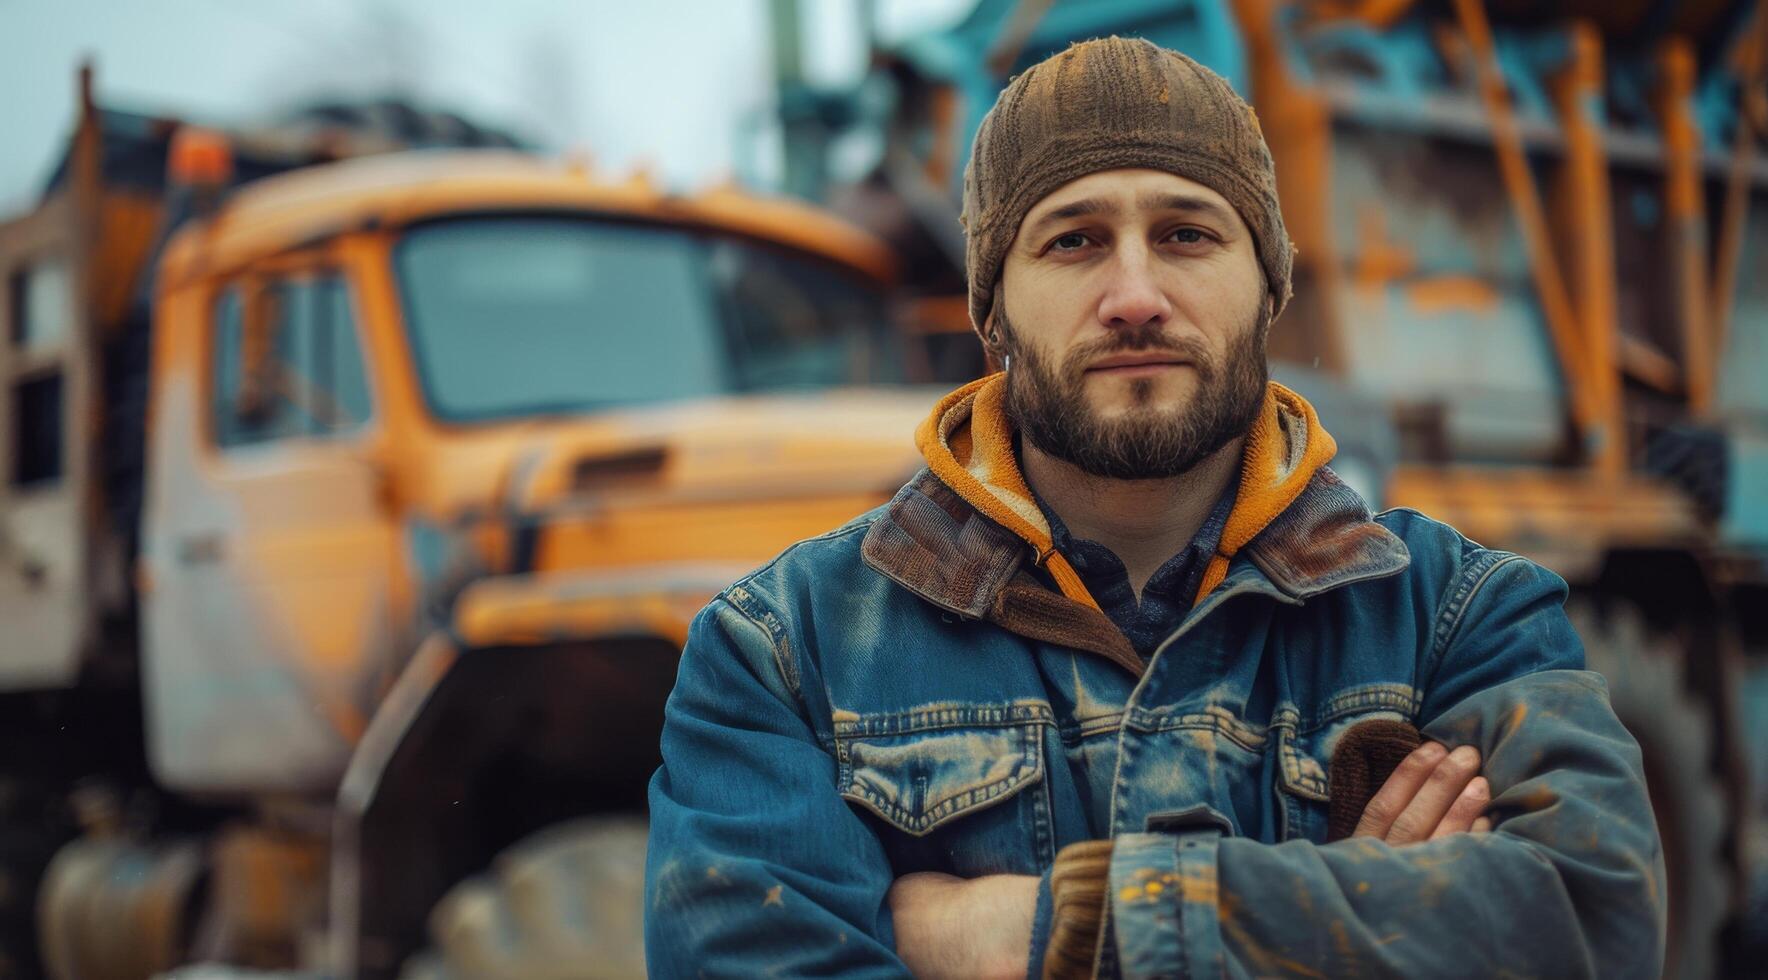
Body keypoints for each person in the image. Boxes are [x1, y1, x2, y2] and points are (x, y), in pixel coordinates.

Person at [644, 35, 1664, 979]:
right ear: (990, 308)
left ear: (1267, 288)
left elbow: (1592, 915)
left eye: (1185, 232)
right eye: (1073, 241)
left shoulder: (1458, 617)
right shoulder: (784, 652)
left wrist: (1053, 926)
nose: (1134, 293)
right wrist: (1351, 911)